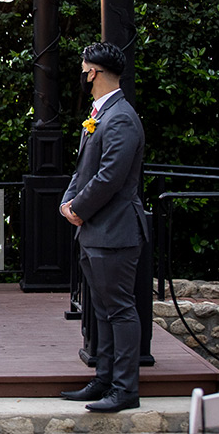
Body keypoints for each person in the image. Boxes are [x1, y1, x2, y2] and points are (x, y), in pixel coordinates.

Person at [58, 42, 148, 413]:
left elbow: (111, 176)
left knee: (120, 309)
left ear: (92, 72)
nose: (81, 75)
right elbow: (84, 170)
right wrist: (68, 201)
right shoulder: (100, 114)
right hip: (95, 230)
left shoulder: (122, 117)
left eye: (83, 69)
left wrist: (78, 207)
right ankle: (103, 377)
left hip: (116, 230)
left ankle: (125, 388)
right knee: (100, 309)